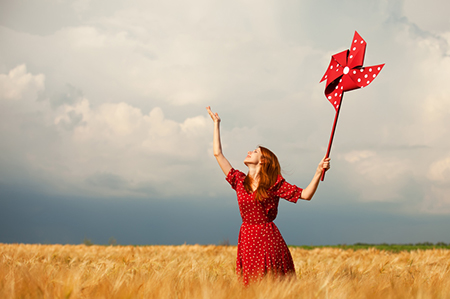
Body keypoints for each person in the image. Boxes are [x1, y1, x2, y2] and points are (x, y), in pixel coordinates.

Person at [206, 106, 331, 285]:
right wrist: (216, 124)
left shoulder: (273, 184)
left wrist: (319, 171)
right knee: (249, 288)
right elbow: (218, 154)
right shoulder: (239, 181)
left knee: (272, 286)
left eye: (255, 152)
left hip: (268, 240)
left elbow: (306, 194)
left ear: (263, 160)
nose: (249, 152)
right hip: (247, 239)